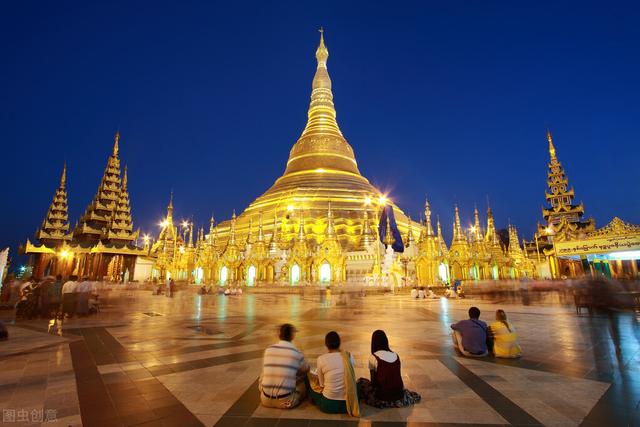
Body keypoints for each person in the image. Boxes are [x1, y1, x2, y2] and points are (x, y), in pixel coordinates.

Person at [357, 330, 421, 408]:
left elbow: (373, 382)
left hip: (383, 396)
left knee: (361, 383)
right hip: (399, 393)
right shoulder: (395, 355)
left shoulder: (373, 357)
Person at [306, 331, 360, 416]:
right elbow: (351, 376)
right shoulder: (349, 356)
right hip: (348, 404)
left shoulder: (321, 359)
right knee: (358, 383)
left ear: (326, 345)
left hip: (328, 405)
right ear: (339, 343)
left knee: (309, 380)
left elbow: (322, 384)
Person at [259, 324, 310, 409]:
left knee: (263, 374)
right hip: (286, 402)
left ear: (279, 335)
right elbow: (306, 369)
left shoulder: (268, 350)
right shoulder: (296, 352)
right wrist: (302, 352)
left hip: (265, 399)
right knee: (305, 378)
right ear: (292, 336)